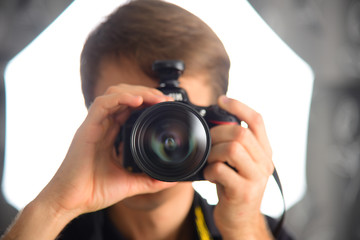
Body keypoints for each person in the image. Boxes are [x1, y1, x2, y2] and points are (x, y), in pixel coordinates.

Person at [1, 0, 293, 239]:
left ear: (219, 127)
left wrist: (243, 229)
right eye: (135, 114)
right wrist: (54, 208)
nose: (161, 139)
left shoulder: (250, 232)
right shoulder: (45, 231)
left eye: (180, 118)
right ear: (93, 118)